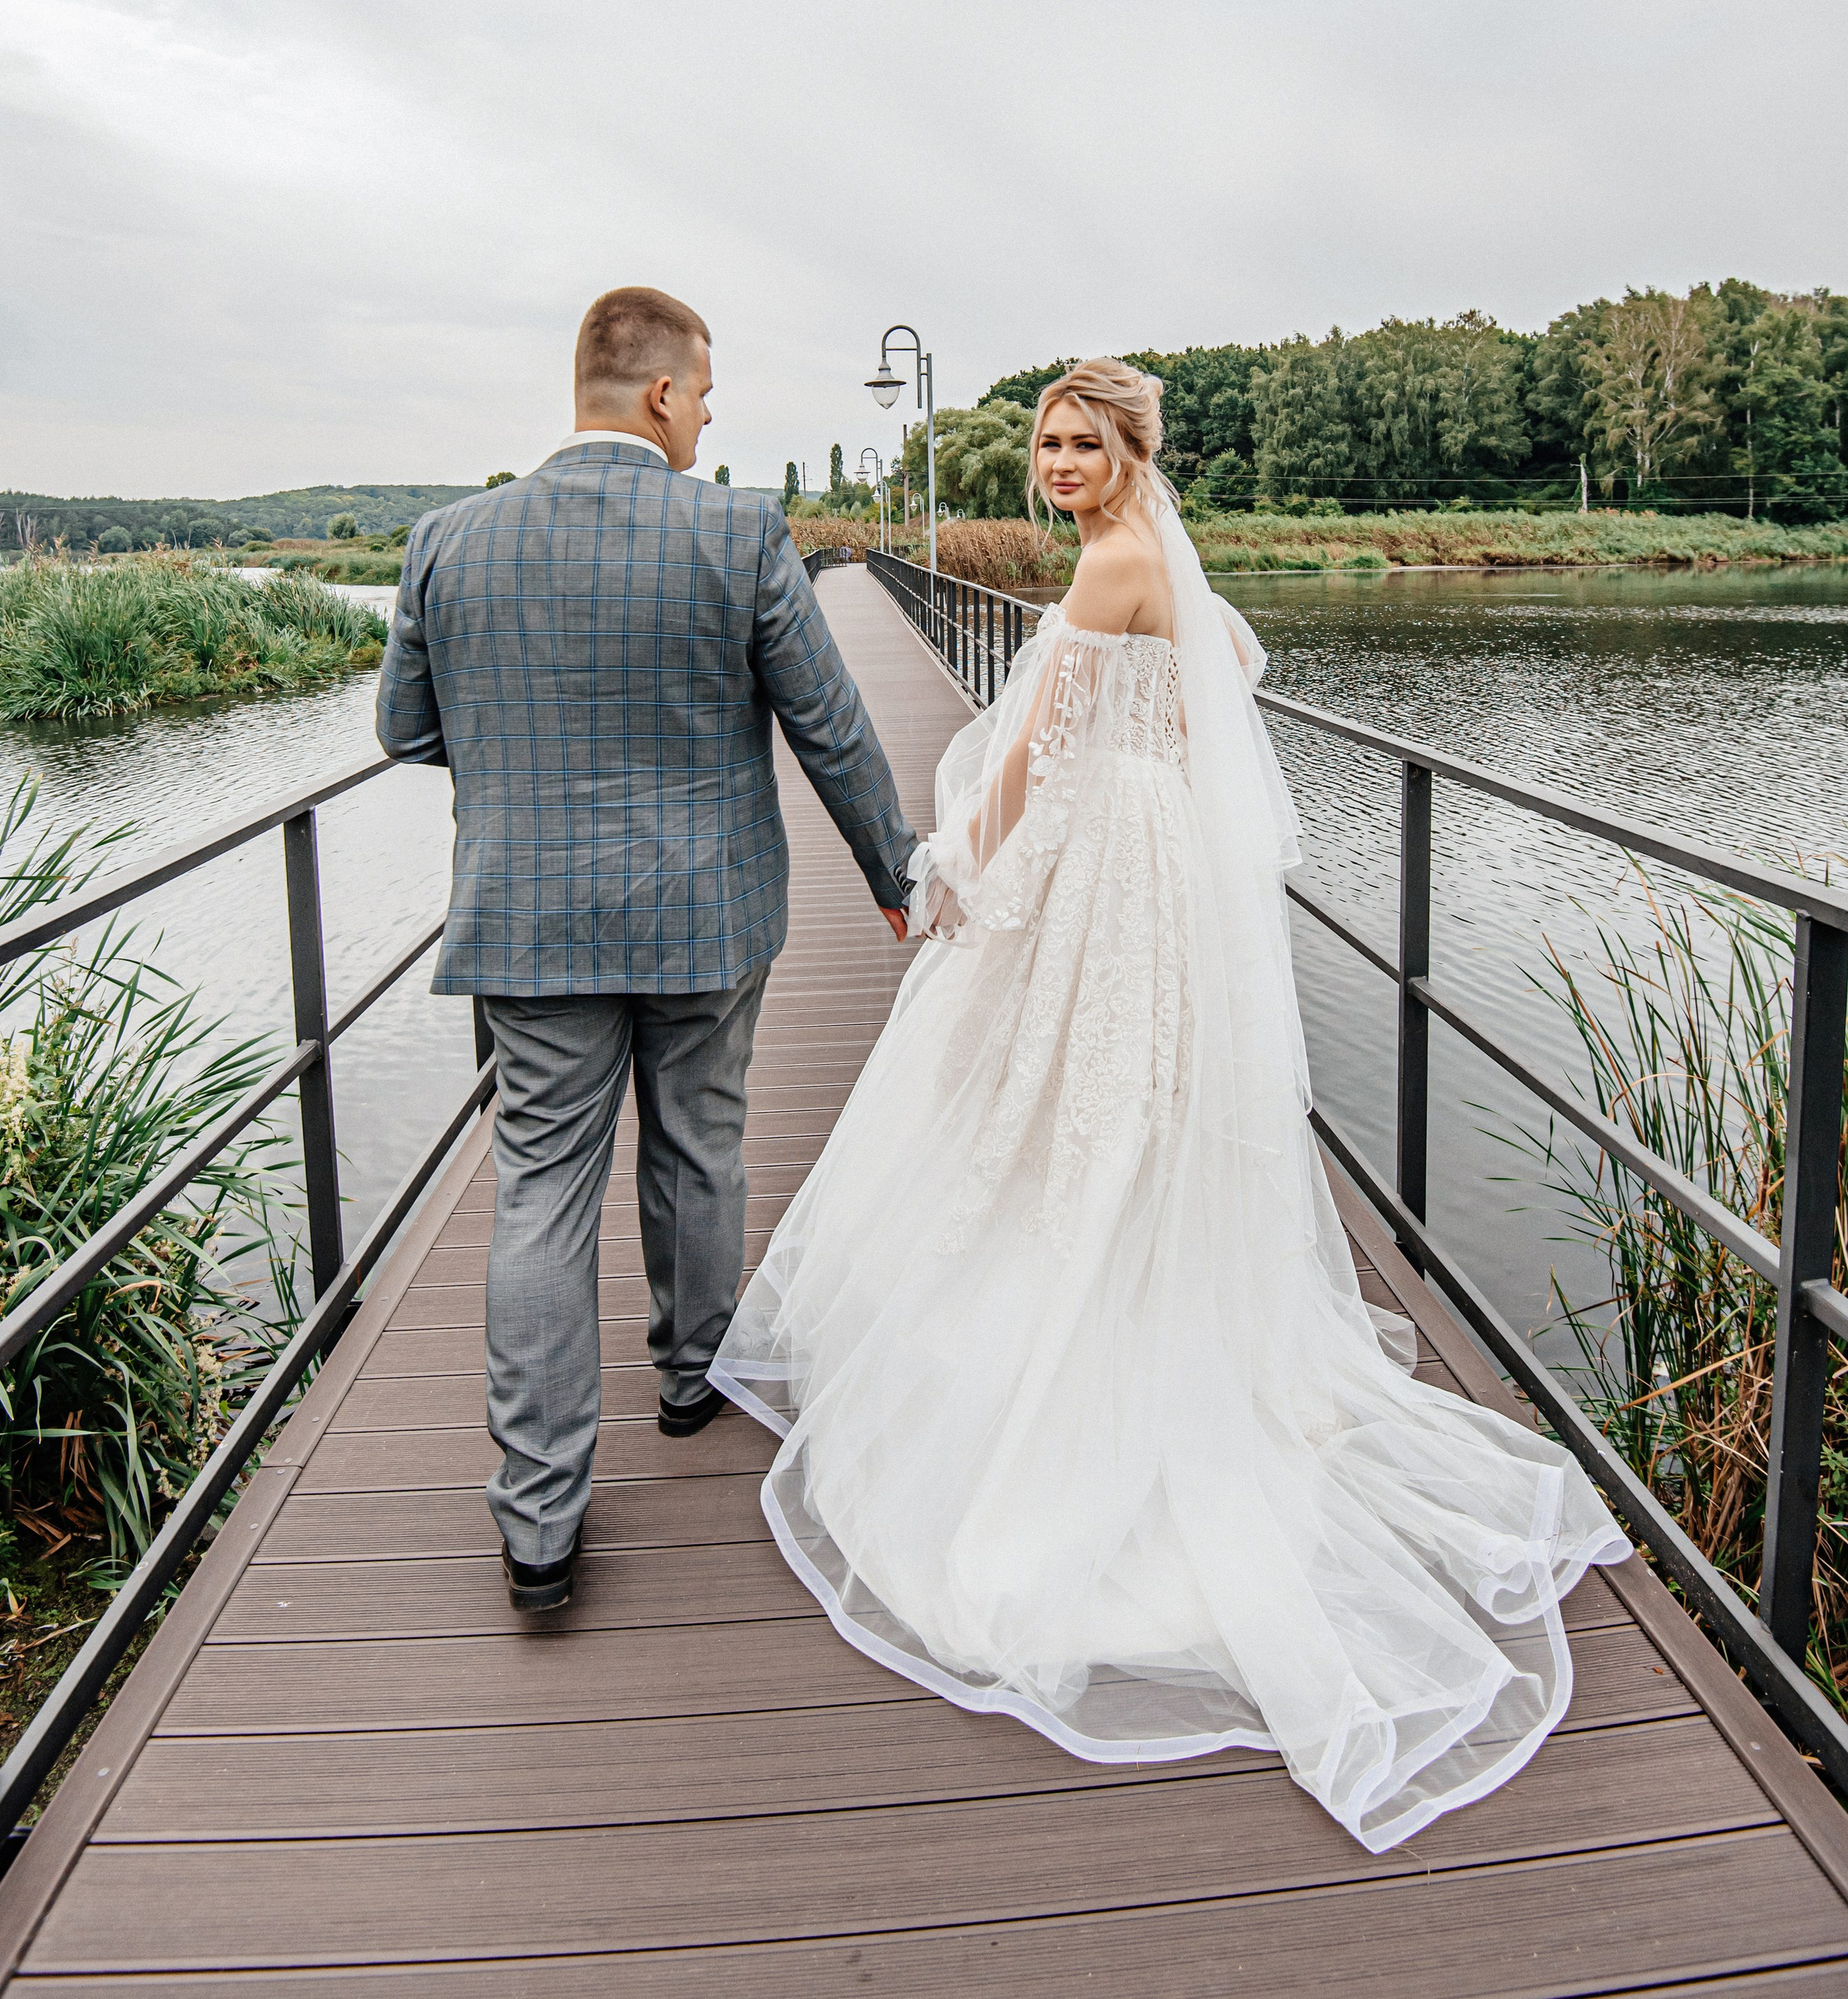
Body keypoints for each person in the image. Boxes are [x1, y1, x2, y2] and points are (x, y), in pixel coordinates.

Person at [712, 356, 1629, 1854]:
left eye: (1082, 443)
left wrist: (949, 874)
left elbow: (1025, 762)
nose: (1058, 463)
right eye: (1046, 443)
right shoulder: (1147, 564)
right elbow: (1209, 699)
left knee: (1050, 1093)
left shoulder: (1115, 565)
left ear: (1132, 450)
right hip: (1146, 863)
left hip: (1097, 859)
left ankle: (1079, 1361)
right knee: (1107, 1102)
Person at [377, 286, 916, 1611]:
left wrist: (522, 769)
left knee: (539, 1195)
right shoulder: (735, 529)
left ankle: (541, 1524)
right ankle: (691, 1379)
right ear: (663, 395)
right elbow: (829, 725)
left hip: (527, 916)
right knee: (700, 1141)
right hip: (704, 913)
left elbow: (403, 729)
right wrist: (897, 874)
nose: (711, 419)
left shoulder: (448, 540)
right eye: (707, 396)